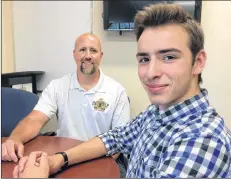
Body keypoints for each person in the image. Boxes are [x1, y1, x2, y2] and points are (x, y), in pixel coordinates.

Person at [15, 3, 231, 178]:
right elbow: (115, 138)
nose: (151, 72)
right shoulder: (156, 113)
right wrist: (59, 159)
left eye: (169, 57)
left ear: (198, 62)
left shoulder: (203, 139)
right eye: (144, 59)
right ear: (74, 54)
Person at [2, 33, 130, 177]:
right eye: (82, 50)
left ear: (101, 55)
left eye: (93, 50)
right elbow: (34, 120)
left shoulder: (117, 92)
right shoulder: (57, 86)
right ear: (74, 54)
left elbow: (119, 141)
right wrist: (15, 138)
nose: (88, 55)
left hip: (100, 160)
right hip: (62, 159)